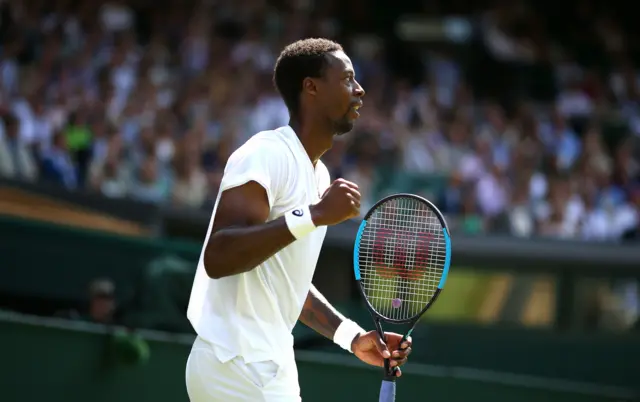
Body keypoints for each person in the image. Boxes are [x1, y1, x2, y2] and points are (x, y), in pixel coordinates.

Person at [185, 38, 413, 401]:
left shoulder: (319, 177)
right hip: (234, 361)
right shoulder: (265, 152)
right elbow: (218, 256)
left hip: (271, 367)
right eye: (347, 79)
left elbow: (285, 283)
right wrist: (315, 214)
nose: (360, 89)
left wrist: (351, 337)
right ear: (311, 87)